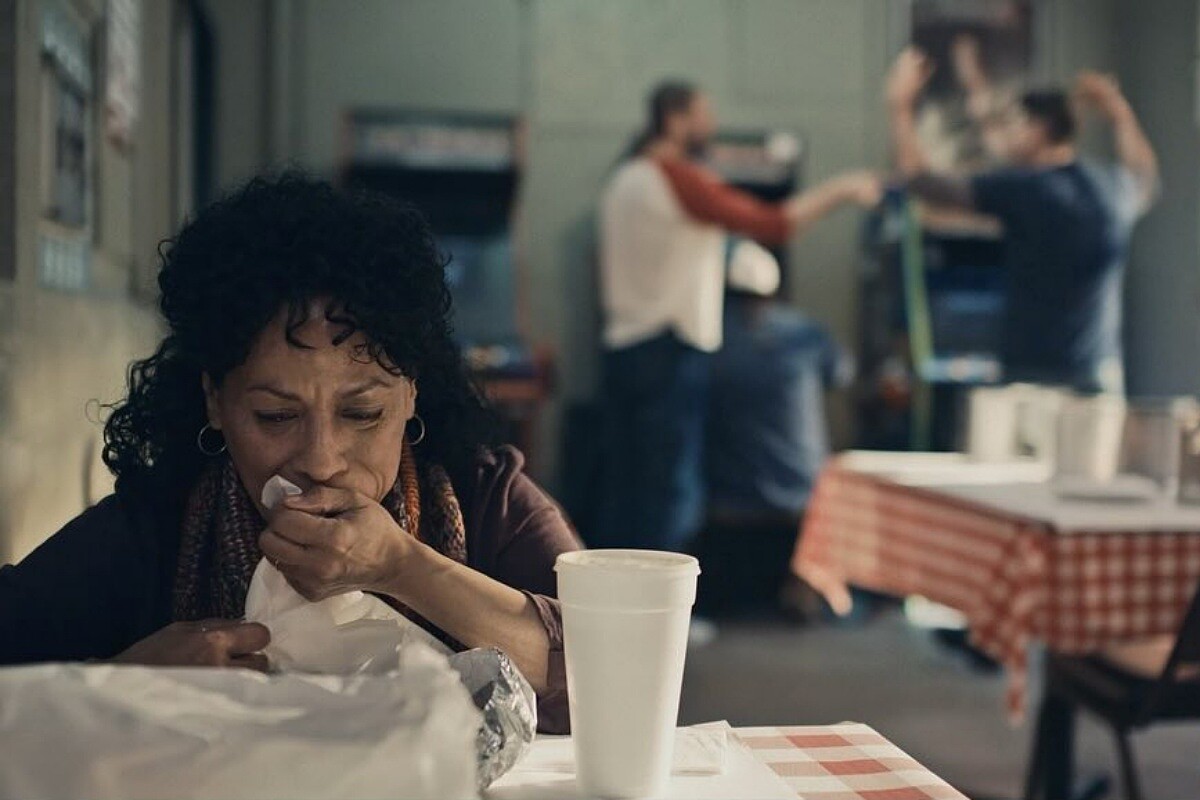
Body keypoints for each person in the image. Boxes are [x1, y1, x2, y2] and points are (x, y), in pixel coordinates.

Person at [0, 174, 582, 734]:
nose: (322, 460)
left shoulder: (488, 501)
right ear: (215, 403)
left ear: (411, 394)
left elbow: (607, 670)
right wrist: (117, 686)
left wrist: (404, 567)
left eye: (362, 414)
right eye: (276, 416)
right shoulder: (156, 531)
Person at [595, 80, 880, 553]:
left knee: (627, 490)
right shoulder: (676, 176)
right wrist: (842, 190)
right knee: (672, 491)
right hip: (669, 351)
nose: (713, 125)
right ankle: (672, 618)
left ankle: (610, 613)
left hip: (623, 348)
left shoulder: (622, 179)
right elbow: (774, 224)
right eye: (704, 114)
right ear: (675, 118)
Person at [887, 48, 1160, 394]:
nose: (1005, 136)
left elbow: (921, 183)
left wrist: (899, 107)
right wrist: (1121, 115)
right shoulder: (1112, 188)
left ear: (1038, 128)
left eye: (1014, 124)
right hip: (1097, 374)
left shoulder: (1027, 190)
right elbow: (1146, 179)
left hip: (1030, 379)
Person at [697, 240, 853, 616]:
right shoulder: (805, 333)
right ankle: (806, 588)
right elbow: (843, 374)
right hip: (804, 491)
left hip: (728, 495)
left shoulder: (706, 341)